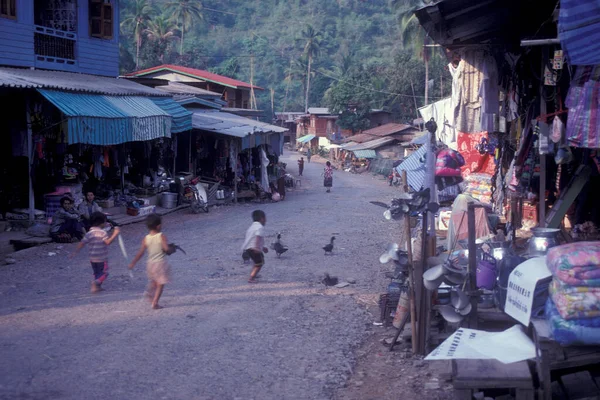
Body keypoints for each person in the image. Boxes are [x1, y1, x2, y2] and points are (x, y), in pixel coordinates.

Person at [129, 214, 171, 309]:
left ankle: (149, 292)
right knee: (161, 283)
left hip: (150, 264)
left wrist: (133, 263)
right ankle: (155, 302)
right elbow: (166, 249)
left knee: (154, 281)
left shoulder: (146, 238)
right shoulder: (161, 236)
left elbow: (141, 252)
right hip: (160, 263)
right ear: (158, 226)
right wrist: (169, 248)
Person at [71, 212, 120, 293]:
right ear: (101, 223)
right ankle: (95, 283)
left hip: (92, 258)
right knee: (105, 273)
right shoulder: (103, 233)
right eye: (105, 221)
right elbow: (107, 242)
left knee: (96, 272)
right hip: (102, 258)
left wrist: (75, 252)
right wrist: (115, 234)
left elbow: (82, 243)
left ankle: (97, 287)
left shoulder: (89, 233)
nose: (106, 223)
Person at [241, 210, 269, 284]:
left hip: (248, 248)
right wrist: (257, 247)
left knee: (257, 261)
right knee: (259, 263)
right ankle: (251, 278)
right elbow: (257, 237)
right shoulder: (259, 227)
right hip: (254, 248)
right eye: (265, 219)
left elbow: (251, 238)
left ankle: (254, 274)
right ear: (262, 219)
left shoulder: (252, 227)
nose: (266, 221)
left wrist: (263, 247)